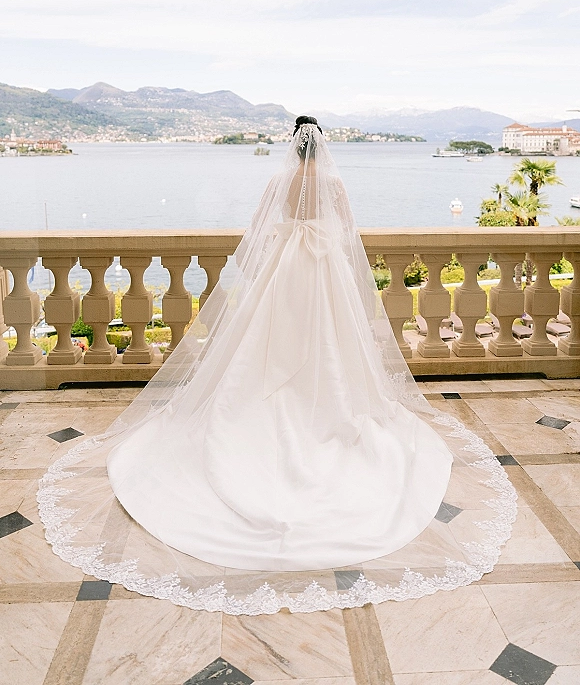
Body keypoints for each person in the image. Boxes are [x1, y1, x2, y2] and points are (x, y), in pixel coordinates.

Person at [39, 116, 517, 615]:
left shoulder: (278, 180)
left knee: (268, 340)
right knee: (329, 341)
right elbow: (348, 234)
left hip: (285, 270)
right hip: (322, 270)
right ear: (322, 144)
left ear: (292, 143)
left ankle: (265, 405)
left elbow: (259, 232)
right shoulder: (333, 182)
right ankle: (323, 409)